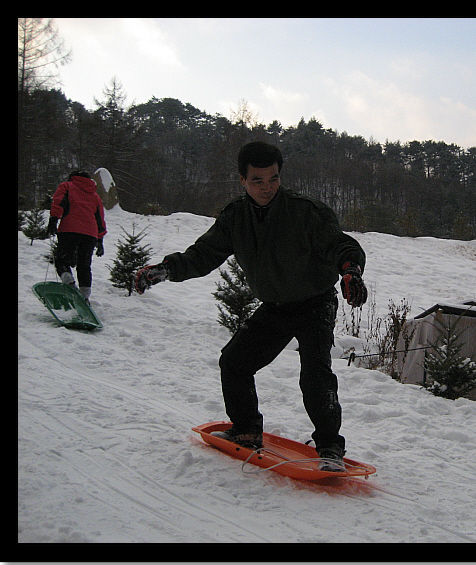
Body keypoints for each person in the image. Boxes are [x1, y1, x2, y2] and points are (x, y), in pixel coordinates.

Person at [134, 142, 368, 471]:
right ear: (242, 180)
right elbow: (203, 255)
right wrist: (166, 270)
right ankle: (245, 430)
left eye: (273, 179)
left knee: (316, 375)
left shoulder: (305, 211)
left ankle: (330, 448)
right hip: (275, 306)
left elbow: (340, 244)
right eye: (257, 181)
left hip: (315, 302)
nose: (267, 188)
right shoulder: (235, 218)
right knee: (234, 362)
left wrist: (350, 270)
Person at [47, 171, 107, 303]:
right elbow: (100, 219)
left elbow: (58, 203)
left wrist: (53, 220)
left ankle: (69, 284)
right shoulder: (95, 195)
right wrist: (100, 239)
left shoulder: (67, 186)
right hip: (90, 234)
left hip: (69, 229)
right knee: (84, 265)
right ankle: (85, 296)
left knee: (62, 260)